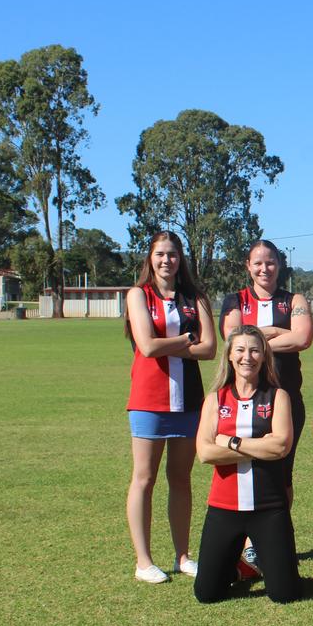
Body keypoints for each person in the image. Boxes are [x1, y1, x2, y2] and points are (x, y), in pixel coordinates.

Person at [124, 231, 217, 584]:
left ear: (182, 258)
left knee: (181, 479)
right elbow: (146, 346)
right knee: (144, 479)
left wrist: (172, 345)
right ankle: (143, 560)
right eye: (160, 254)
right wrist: (184, 340)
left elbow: (210, 349)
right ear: (150, 258)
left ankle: (182, 556)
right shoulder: (138, 295)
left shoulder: (196, 297)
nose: (167, 260)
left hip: (189, 401)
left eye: (173, 254)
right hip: (149, 399)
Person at [193, 325, 301, 603]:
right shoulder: (215, 399)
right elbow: (205, 453)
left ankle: (252, 563)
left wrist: (230, 442)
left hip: (268, 508)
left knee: (284, 594)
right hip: (223, 507)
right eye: (240, 350)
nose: (247, 357)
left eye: (255, 350)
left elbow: (280, 446)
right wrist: (259, 446)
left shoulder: (278, 396)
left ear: (265, 357)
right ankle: (238, 567)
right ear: (229, 355)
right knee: (207, 594)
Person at [219, 240, 313, 510]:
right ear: (248, 266)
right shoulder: (234, 300)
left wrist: (255, 340)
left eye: (270, 262)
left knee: (283, 471)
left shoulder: (293, 300)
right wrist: (279, 332)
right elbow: (233, 340)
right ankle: (249, 542)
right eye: (258, 263)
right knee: (246, 465)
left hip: (286, 399)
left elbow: (303, 338)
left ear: (279, 265)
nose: (264, 268)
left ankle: (279, 530)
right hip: (243, 399)